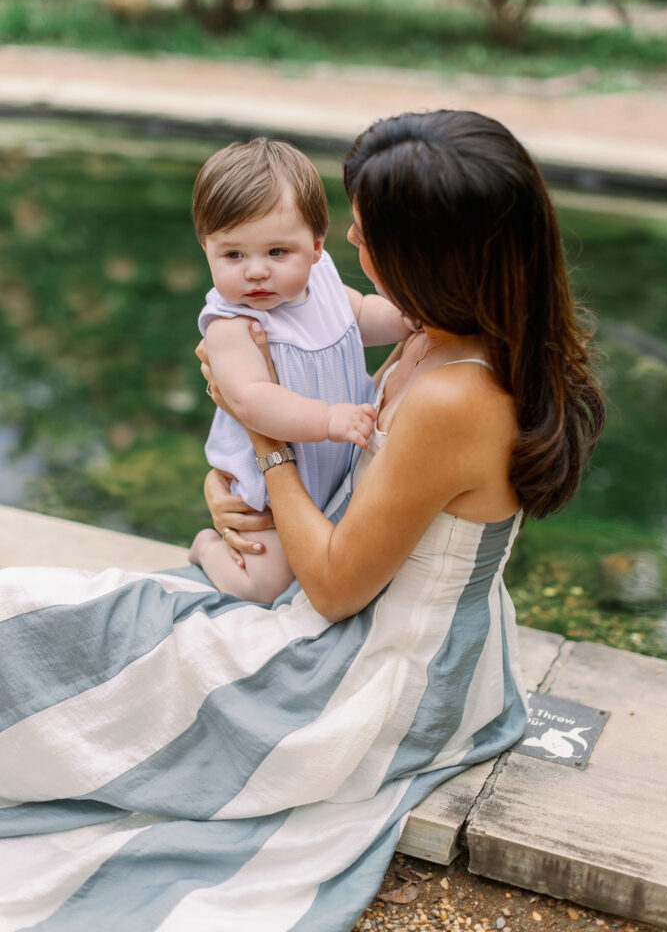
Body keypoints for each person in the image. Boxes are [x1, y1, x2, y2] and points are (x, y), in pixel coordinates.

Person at [0, 110, 604, 932]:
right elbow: (358, 485)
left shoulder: (456, 395)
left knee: (38, 636)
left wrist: (268, 446)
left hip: (365, 671)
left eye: (366, 230)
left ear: (430, 254)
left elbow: (332, 590)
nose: (346, 233)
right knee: (56, 624)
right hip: (338, 604)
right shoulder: (442, 332)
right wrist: (233, 488)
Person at [188, 137, 412, 601]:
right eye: (233, 255)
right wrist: (327, 421)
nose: (255, 272)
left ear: (315, 246)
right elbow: (251, 398)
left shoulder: (323, 280)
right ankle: (206, 549)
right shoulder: (234, 326)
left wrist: (404, 319)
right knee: (266, 584)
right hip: (273, 487)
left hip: (335, 459)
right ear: (205, 247)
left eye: (276, 252)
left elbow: (360, 315)